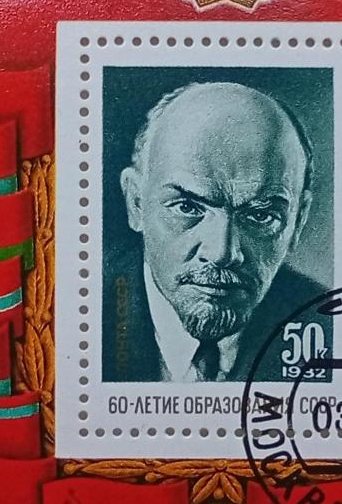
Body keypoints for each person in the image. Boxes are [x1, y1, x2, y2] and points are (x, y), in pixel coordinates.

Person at [103, 81, 325, 382]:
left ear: (297, 220)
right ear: (136, 203)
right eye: (187, 207)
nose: (221, 252)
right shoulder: (77, 316)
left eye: (260, 215)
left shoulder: (334, 329)